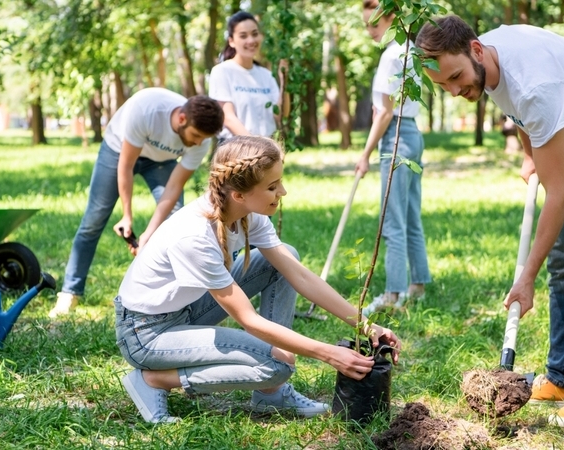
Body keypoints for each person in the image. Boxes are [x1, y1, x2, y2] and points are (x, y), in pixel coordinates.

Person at [416, 16, 564, 430]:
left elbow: (559, 192)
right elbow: (522, 115)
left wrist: (526, 277)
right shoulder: (485, 62)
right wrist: (531, 153)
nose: (456, 91)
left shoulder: (533, 81)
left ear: (476, 50)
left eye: (456, 78)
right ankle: (563, 378)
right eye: (444, 87)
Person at [114, 135, 401, 423]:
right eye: (272, 186)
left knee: (284, 257)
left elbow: (299, 276)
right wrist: (328, 354)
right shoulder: (195, 236)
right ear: (239, 194)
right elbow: (248, 320)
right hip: (147, 334)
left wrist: (366, 325)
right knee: (279, 363)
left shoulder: (248, 214)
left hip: (185, 311)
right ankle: (155, 379)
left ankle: (270, 394)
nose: (283, 191)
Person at [49, 88, 224, 318]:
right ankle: (69, 292)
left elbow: (172, 189)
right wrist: (127, 216)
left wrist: (149, 234)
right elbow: (126, 166)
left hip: (161, 161)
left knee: (175, 220)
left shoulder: (200, 140)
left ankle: (169, 299)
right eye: (196, 136)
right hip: (118, 151)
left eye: (203, 139)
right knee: (94, 219)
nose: (199, 143)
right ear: (182, 119)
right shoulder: (147, 109)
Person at [356, 0, 432, 315]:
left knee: (393, 219)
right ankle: (418, 284)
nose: (370, 32)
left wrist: (365, 154)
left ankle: (393, 294)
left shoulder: (390, 56)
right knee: (410, 213)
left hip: (397, 136)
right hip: (414, 134)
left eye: (373, 24)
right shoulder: (411, 50)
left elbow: (385, 112)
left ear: (390, 18)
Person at [208, 11, 288, 139]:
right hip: (235, 147)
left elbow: (281, 115)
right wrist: (255, 145)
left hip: (267, 148)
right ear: (231, 41)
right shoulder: (222, 71)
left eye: (255, 34)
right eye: (243, 36)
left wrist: (285, 80)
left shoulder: (267, 75)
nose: (251, 40)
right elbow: (228, 117)